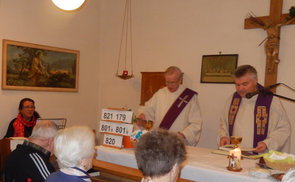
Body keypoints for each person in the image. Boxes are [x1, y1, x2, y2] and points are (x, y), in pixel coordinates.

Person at [218, 65, 291, 153]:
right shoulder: (233, 99)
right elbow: (224, 122)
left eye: (245, 84)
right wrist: (223, 136)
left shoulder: (271, 101)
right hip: (236, 154)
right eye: (237, 85)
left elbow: (283, 128)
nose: (240, 89)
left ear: (255, 81)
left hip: (260, 157)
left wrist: (267, 143)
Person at [137, 66, 203, 146]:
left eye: (172, 82)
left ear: (180, 80)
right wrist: (142, 115)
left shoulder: (189, 97)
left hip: (178, 143)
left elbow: (196, 123)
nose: (169, 86)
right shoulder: (160, 93)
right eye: (167, 82)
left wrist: (183, 134)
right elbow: (148, 109)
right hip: (160, 141)